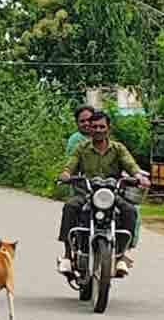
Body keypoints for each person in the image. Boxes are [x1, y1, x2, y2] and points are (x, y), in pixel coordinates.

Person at [56, 111, 149, 277]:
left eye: (102, 126)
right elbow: (70, 165)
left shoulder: (118, 149)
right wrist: (65, 174)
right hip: (87, 193)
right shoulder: (81, 148)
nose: (98, 130)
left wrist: (138, 176)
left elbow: (130, 164)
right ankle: (68, 255)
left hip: (112, 194)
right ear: (89, 129)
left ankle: (121, 255)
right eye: (94, 126)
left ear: (108, 129)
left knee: (130, 211)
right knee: (70, 207)